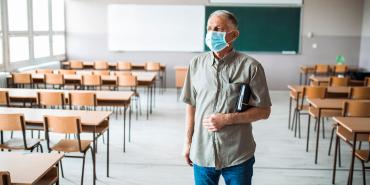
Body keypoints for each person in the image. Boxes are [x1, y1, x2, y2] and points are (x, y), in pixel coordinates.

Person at [180, 10, 272, 185]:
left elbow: (264, 111)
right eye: (209, 28)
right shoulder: (196, 64)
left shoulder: (251, 67)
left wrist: (227, 119)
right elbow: (190, 105)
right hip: (202, 152)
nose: (211, 33)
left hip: (237, 154)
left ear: (234, 34)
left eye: (218, 29)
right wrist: (187, 142)